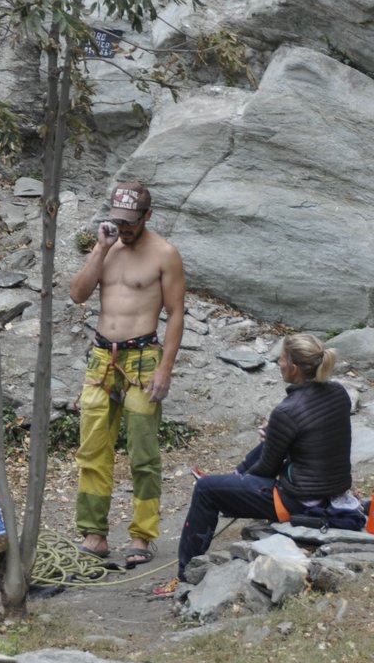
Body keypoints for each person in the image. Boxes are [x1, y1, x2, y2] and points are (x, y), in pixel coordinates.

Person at [160, 333, 355, 592]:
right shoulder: (338, 392)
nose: (278, 364)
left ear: (294, 368)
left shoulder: (287, 411)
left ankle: (184, 576)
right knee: (266, 445)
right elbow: (313, 434)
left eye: (282, 359)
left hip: (299, 500)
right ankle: (235, 478)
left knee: (207, 490)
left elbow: (266, 469)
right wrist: (275, 434)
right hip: (333, 492)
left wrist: (246, 477)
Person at [69, 181, 186, 568]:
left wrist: (166, 368)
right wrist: (101, 248)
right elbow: (78, 294)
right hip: (102, 358)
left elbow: (176, 314)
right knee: (92, 450)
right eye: (120, 220)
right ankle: (94, 533)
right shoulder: (107, 247)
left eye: (132, 222)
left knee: (143, 454)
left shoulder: (164, 254)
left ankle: (141, 535)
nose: (126, 228)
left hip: (143, 359)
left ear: (148, 215)